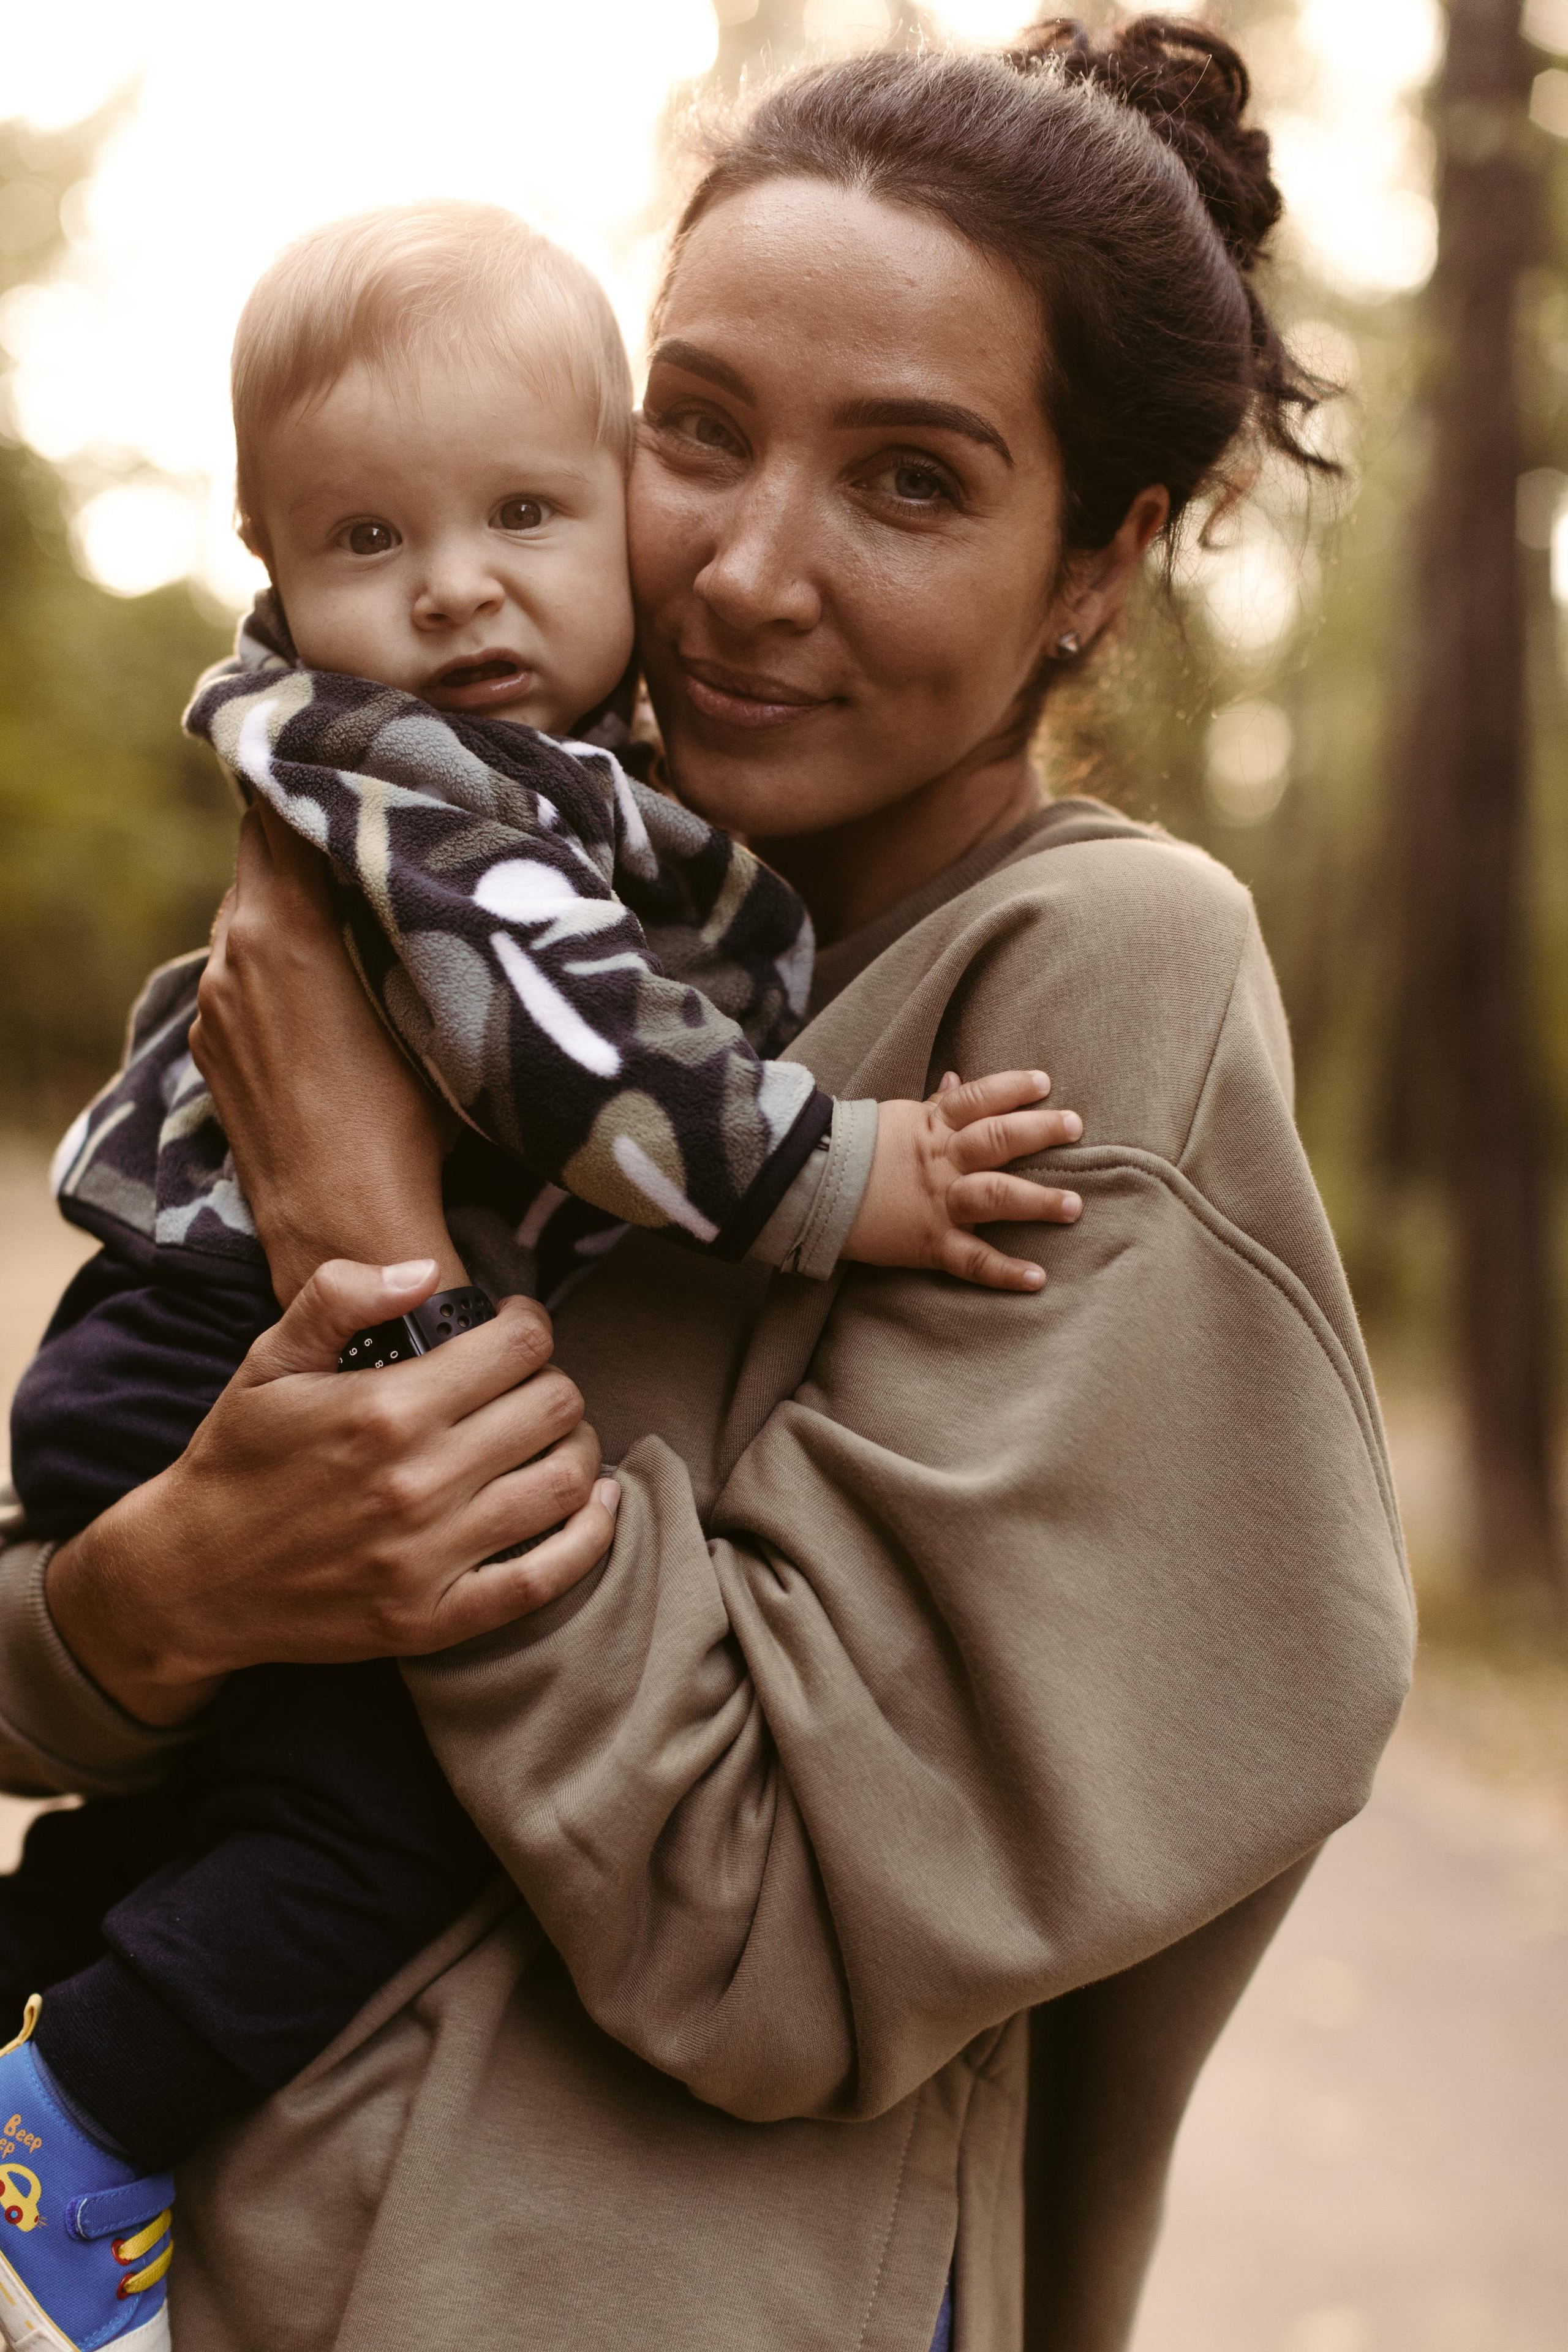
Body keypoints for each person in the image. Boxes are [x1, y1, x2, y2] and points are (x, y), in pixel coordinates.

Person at [0, 18, 1413, 2352]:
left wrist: (375, 1245)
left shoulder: (1092, 977)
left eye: (912, 482)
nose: (751, 571)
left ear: (1098, 562)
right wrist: (157, 1600)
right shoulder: (520, 873)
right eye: (702, 429)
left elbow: (761, 1927)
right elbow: (58, 1647)